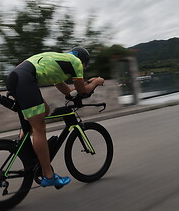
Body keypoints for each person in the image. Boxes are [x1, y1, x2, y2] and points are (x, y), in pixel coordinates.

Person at [6, 46, 105, 188]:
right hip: (24, 79)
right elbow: (82, 91)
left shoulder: (59, 63)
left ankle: (23, 146)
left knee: (44, 110)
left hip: (15, 77)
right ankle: (49, 175)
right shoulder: (75, 62)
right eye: (85, 65)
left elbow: (69, 92)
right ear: (83, 61)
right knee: (39, 127)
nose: (83, 67)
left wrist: (83, 86)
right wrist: (96, 82)